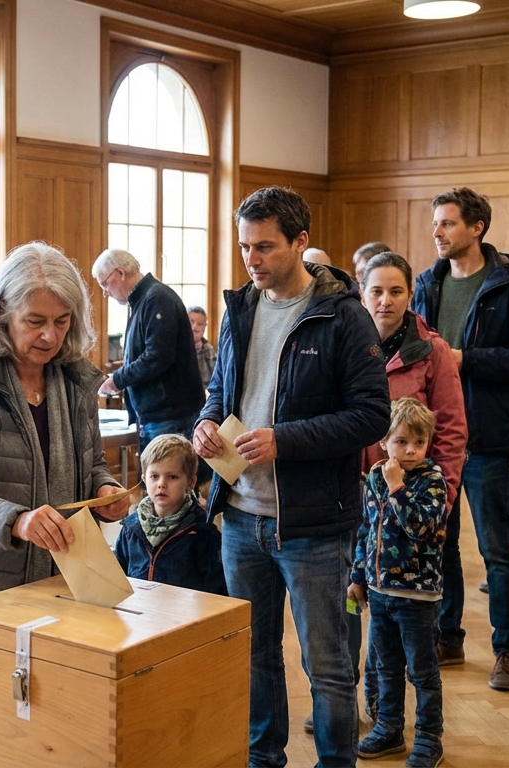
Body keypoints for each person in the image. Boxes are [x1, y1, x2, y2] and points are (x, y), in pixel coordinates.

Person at [195, 187, 391, 767]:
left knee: (327, 667)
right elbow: (221, 391)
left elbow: (371, 417)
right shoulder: (242, 308)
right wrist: (207, 421)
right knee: (254, 657)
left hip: (312, 524)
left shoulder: (344, 317)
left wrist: (285, 440)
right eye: (244, 247)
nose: (251, 260)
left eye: (264, 247)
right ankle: (264, 760)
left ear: (301, 244)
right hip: (239, 517)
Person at [0, 241, 131, 767]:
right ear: (1, 314)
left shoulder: (71, 377)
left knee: (38, 730)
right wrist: (15, 520)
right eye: (35, 320)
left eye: (62, 322)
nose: (49, 336)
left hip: (57, 582)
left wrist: (104, 492)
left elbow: (89, 464)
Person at [411, 187, 509, 691]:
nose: (438, 233)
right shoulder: (426, 282)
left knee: (498, 549)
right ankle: (448, 637)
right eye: (436, 224)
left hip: (489, 436)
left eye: (447, 223)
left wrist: (467, 359)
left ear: (477, 228)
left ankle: (507, 650)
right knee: (439, 545)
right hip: (434, 437)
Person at [353, 251, 467, 728]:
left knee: (407, 623)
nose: (385, 300)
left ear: (410, 294)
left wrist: (435, 501)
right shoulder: (349, 341)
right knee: (363, 606)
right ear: (362, 292)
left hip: (418, 499)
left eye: (396, 290)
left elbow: (452, 432)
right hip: (358, 496)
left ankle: (409, 723)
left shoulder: (432, 350)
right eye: (376, 290)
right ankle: (371, 710)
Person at [349, 398, 448, 768]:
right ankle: (389, 727)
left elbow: (421, 528)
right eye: (401, 441)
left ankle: (428, 738)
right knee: (385, 667)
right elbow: (367, 529)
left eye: (419, 443)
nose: (410, 450)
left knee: (421, 671)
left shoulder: (432, 481)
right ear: (383, 442)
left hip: (417, 597)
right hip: (379, 593)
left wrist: (398, 488)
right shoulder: (375, 476)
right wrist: (358, 575)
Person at [93, 249, 205, 452]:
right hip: (160, 415)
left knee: (167, 482)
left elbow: (157, 356)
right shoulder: (144, 299)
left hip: (170, 416)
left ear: (120, 273)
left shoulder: (156, 299)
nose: (105, 292)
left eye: (104, 284)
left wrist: (117, 380)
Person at [114, 434, 226, 595]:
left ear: (190, 483)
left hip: (186, 617)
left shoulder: (202, 531)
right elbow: (118, 577)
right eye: (154, 476)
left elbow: (216, 590)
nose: (161, 484)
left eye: (172, 477)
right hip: (138, 614)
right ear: (144, 480)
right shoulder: (130, 529)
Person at [188, 305, 217, 388]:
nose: (195, 327)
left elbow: (216, 379)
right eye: (191, 322)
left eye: (200, 324)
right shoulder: (175, 347)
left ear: (205, 327)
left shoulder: (208, 349)